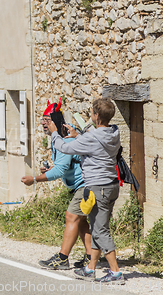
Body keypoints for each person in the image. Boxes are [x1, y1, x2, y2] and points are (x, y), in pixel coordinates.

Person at [49, 98, 124, 284]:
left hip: (98, 188)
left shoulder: (91, 137)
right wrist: (78, 136)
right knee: (97, 224)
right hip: (111, 185)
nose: (91, 114)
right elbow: (94, 141)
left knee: (100, 230)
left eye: (92, 112)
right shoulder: (114, 132)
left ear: (96, 116)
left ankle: (115, 273)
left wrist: (54, 134)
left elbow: (64, 147)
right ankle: (90, 269)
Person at [21, 100, 91, 270]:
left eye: (47, 120)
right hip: (81, 185)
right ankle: (91, 256)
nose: (43, 123)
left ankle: (62, 258)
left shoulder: (65, 140)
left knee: (71, 217)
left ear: (56, 122)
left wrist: (36, 179)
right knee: (80, 221)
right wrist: (50, 169)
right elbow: (65, 164)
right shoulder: (58, 138)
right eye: (42, 120)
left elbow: (60, 171)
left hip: (85, 185)